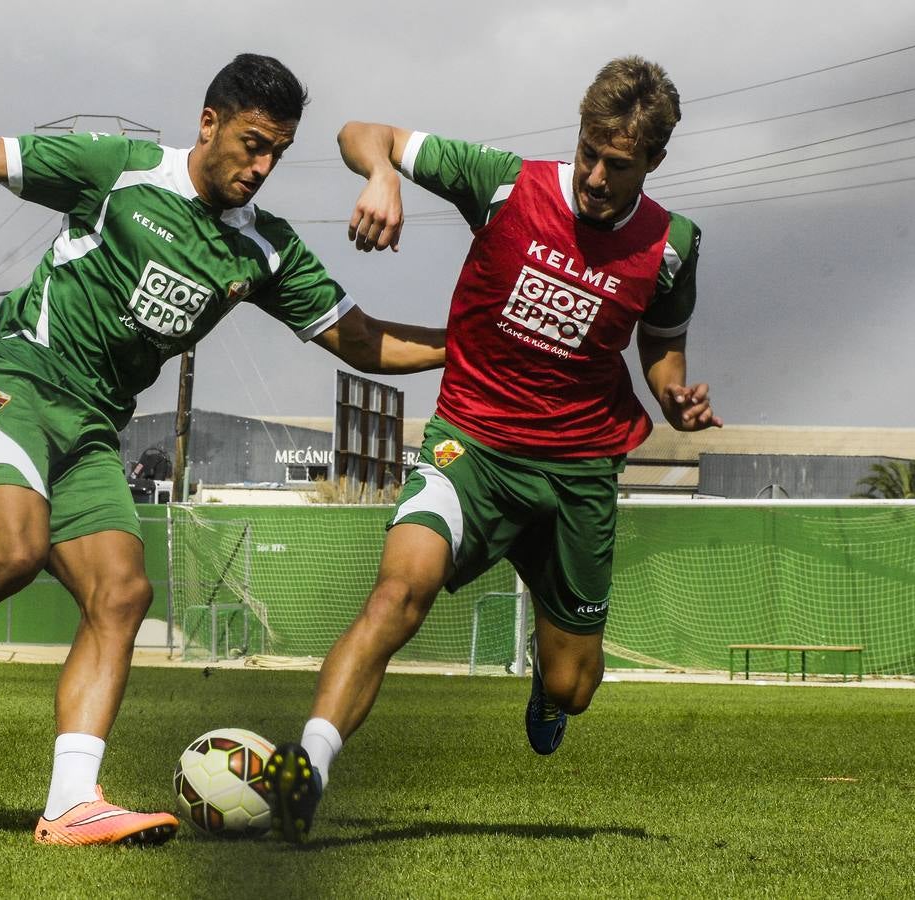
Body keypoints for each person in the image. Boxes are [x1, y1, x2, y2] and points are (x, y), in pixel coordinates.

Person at [0, 53, 446, 847]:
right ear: (208, 123)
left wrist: (470, 345)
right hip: (13, 377)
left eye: (278, 154)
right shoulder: (119, 170)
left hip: (89, 427)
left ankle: (71, 803)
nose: (261, 168)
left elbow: (359, 341)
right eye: (252, 143)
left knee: (121, 594)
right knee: (16, 548)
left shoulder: (265, 252)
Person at [263, 56, 723, 843]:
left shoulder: (672, 247)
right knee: (397, 593)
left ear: (654, 161)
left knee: (576, 688)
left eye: (617, 164)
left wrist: (675, 393)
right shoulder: (504, 183)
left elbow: (661, 351)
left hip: (577, 474)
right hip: (470, 445)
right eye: (588, 153)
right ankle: (307, 769)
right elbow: (359, 132)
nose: (596, 177)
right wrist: (382, 176)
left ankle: (547, 686)